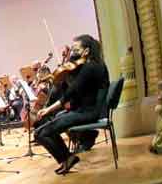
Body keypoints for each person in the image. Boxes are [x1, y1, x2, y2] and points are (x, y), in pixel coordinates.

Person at [34, 35, 110, 175]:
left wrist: (48, 109)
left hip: (88, 112)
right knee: (41, 131)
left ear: (86, 51)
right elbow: (75, 91)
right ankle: (67, 159)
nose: (72, 53)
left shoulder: (90, 67)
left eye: (75, 49)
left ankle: (67, 158)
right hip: (85, 110)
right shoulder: (93, 65)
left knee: (41, 133)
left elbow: (70, 93)